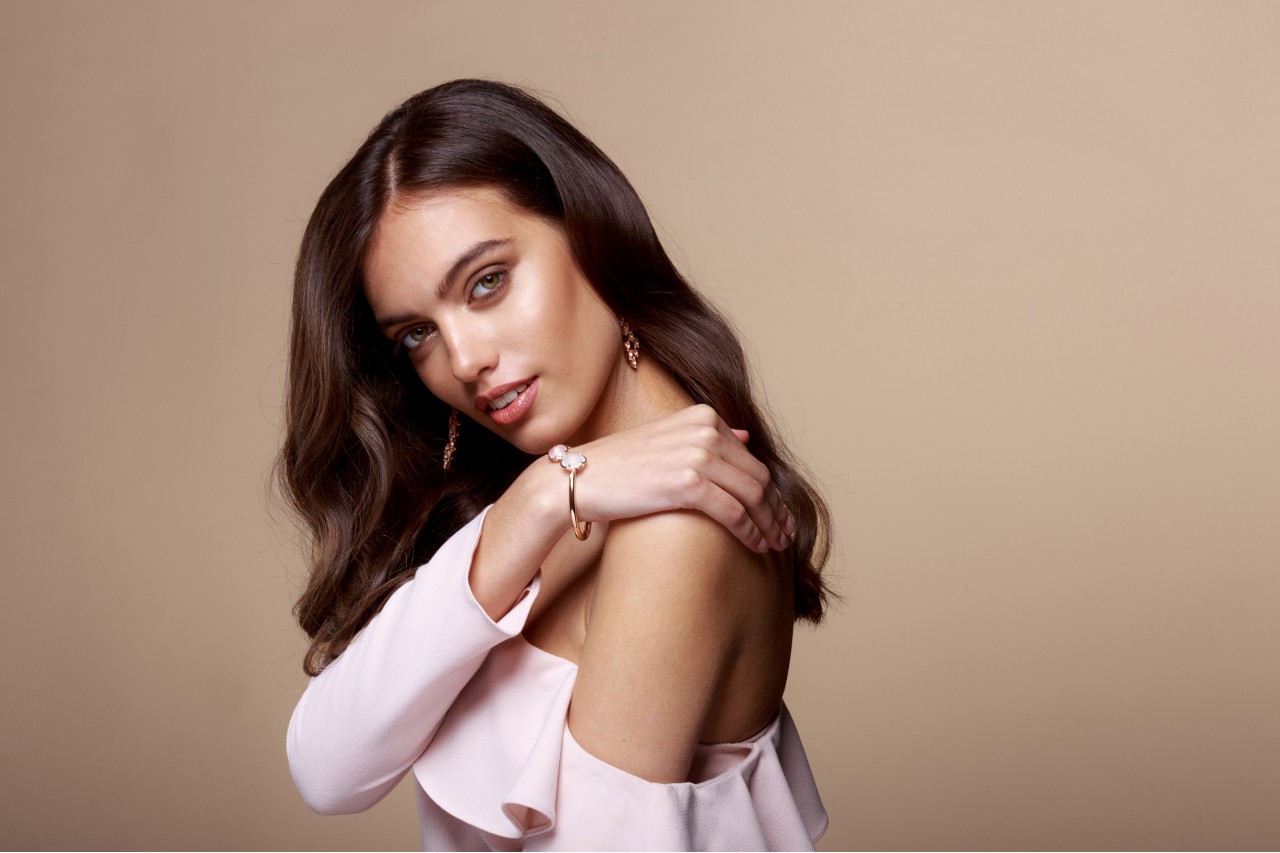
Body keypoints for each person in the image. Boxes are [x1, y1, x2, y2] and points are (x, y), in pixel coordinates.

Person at [281, 79, 832, 851]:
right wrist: (542, 496)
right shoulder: (542, 494)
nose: (464, 360)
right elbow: (327, 769)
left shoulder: (675, 527)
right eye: (416, 334)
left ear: (589, 232)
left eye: (488, 281)